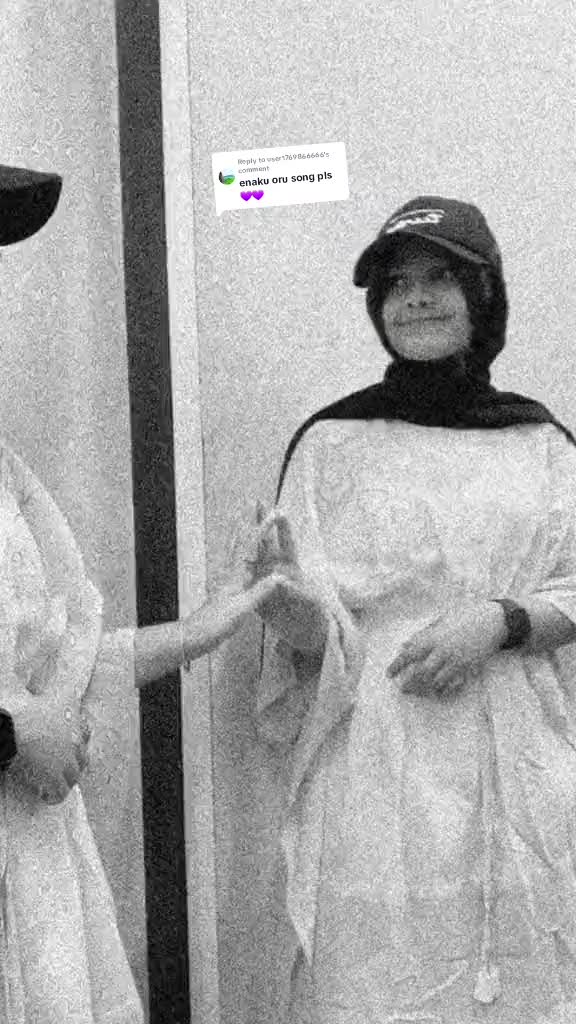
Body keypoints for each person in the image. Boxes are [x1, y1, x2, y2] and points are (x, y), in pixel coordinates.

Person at [251, 196, 576, 1024]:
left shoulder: (541, 443)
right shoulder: (331, 441)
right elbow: (311, 637)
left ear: (483, 297)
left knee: (521, 981)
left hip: (515, 754)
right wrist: (285, 609)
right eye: (397, 284)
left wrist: (499, 621)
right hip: (377, 758)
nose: (417, 299)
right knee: (377, 980)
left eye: (440, 279)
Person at [0, 163, 284, 1023]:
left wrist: (207, 624)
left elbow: (55, 667)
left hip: (32, 864)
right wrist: (9, 735)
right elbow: (25, 714)